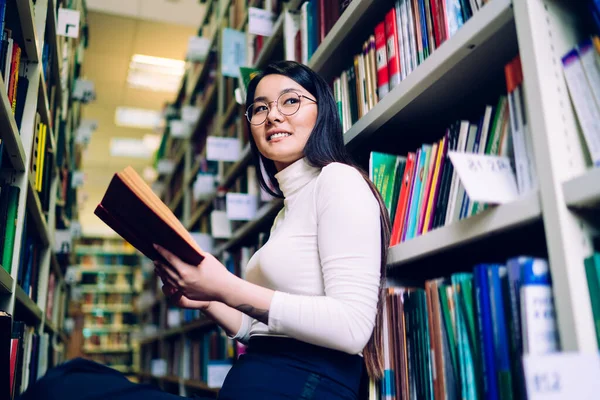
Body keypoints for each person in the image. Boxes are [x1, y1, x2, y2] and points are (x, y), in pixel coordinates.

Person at [18, 61, 391, 400]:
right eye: (260, 108)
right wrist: (207, 298)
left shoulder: (338, 181)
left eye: (290, 101)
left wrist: (224, 285)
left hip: (304, 383)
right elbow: (261, 329)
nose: (273, 116)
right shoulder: (285, 213)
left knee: (69, 387)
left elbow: (352, 326)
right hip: (265, 376)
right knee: (76, 376)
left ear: (322, 111)